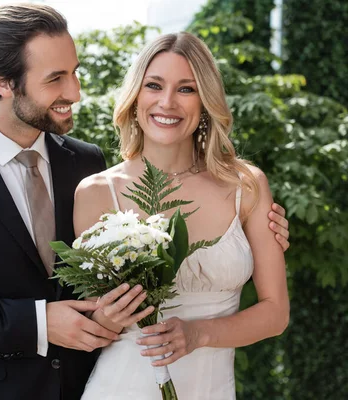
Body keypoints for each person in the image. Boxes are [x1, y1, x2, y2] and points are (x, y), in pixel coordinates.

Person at [0, 4, 290, 400]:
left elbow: (93, 289)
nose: (76, 92)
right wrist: (40, 323)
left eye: (75, 73)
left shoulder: (83, 162)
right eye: (56, 78)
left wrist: (253, 239)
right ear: (5, 83)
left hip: (90, 383)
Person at [75, 32, 290, 399]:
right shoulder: (96, 193)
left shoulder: (246, 186)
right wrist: (106, 319)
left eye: (187, 89)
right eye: (154, 85)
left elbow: (276, 314)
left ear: (206, 100)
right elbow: (95, 322)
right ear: (136, 96)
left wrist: (198, 334)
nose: (167, 102)